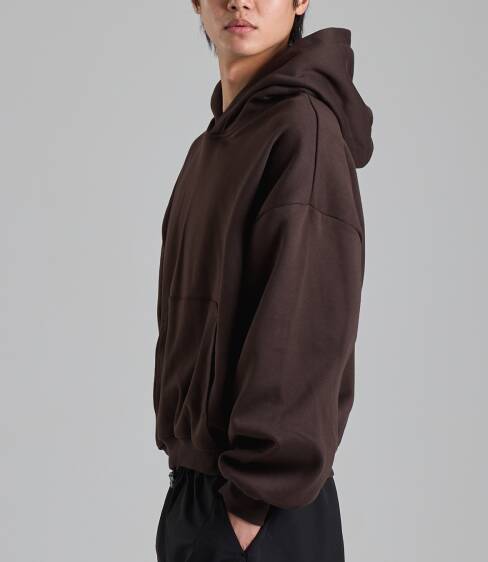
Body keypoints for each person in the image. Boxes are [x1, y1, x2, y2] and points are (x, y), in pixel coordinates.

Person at [153, 1, 374, 560]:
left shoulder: (303, 129)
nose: (240, 1)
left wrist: (249, 507)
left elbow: (303, 332)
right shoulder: (208, 149)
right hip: (199, 497)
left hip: (260, 511)